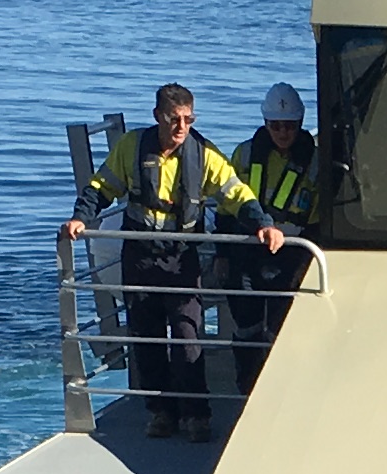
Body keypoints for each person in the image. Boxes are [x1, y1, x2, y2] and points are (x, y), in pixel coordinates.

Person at [61, 84, 287, 438]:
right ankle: (160, 412)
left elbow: (236, 194)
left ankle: (196, 415)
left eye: (188, 119)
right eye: (174, 119)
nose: (182, 127)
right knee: (146, 339)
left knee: (187, 336)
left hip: (182, 259)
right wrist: (80, 217)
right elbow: (101, 187)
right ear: (157, 117)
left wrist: (264, 224)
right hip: (140, 257)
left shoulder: (205, 155)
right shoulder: (131, 148)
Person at [222, 81, 322, 386]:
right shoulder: (243, 154)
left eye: (289, 126)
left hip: (294, 252)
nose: (282, 133)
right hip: (246, 250)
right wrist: (223, 255)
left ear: (300, 124)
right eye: (276, 126)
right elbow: (226, 207)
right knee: (245, 324)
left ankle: (283, 386)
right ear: (265, 123)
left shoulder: (316, 160)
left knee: (287, 325)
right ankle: (247, 386)